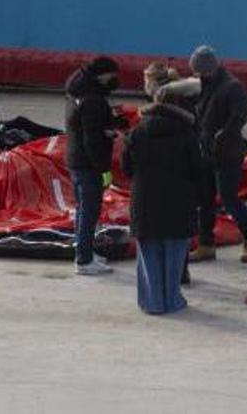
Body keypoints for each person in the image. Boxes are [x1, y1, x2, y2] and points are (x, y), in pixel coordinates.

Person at [122, 87, 203, 314]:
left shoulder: (136, 133)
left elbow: (127, 167)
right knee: (175, 253)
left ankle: (152, 302)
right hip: (179, 202)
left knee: (149, 253)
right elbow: (198, 170)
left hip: (145, 201)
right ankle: (173, 299)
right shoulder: (187, 134)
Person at [188, 46, 247, 263]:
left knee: (229, 199)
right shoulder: (203, 86)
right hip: (205, 151)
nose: (195, 75)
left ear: (208, 68)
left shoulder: (232, 87)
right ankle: (206, 243)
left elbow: (239, 117)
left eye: (198, 70)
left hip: (227, 153)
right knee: (204, 199)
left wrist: (221, 136)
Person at [64, 56, 122, 276]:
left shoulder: (77, 92)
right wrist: (103, 169)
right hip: (89, 164)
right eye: (112, 76)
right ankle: (84, 260)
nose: (114, 80)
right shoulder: (93, 100)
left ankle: (85, 251)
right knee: (90, 211)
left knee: (82, 209)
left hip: (76, 159)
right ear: (102, 75)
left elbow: (85, 128)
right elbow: (92, 139)